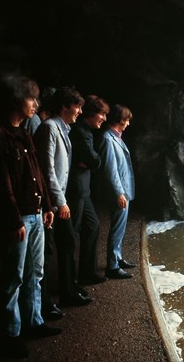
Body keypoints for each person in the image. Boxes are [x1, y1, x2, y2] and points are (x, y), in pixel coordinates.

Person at [0, 76, 60, 359]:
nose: (36, 105)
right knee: (14, 277)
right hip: (19, 220)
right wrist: (14, 220)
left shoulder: (25, 134)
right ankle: (10, 334)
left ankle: (34, 322)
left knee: (35, 273)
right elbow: (0, 186)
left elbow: (37, 175)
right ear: (16, 100)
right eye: (32, 99)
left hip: (37, 215)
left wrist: (48, 207)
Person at [34, 86, 93, 313]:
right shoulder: (49, 128)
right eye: (77, 106)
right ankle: (46, 303)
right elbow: (47, 169)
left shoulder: (63, 128)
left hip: (58, 200)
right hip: (51, 202)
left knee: (67, 242)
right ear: (65, 106)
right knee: (47, 252)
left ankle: (69, 290)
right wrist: (61, 201)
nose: (79, 111)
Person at [67, 95, 109, 285]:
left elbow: (92, 161)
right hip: (75, 190)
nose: (104, 118)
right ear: (91, 114)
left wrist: (90, 161)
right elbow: (95, 161)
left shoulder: (86, 132)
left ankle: (86, 272)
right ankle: (70, 283)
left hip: (84, 190)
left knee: (92, 226)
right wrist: (91, 161)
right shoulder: (80, 132)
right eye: (102, 114)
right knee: (70, 236)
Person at [99, 104, 136, 279]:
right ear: (120, 120)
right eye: (127, 120)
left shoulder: (116, 137)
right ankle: (112, 266)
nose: (128, 124)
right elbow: (110, 170)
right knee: (116, 228)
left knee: (120, 228)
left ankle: (118, 257)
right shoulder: (108, 138)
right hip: (119, 192)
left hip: (124, 190)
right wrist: (119, 193)